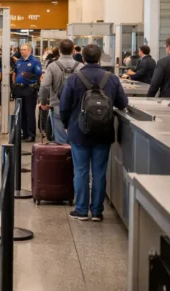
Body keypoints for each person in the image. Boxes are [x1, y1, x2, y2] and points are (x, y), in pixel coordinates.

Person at [60, 44, 128, 221]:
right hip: (104, 132)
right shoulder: (111, 78)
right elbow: (122, 103)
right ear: (100, 59)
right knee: (99, 171)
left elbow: (64, 106)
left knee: (81, 171)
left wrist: (67, 124)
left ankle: (81, 210)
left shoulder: (74, 78)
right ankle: (97, 211)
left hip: (79, 131)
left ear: (82, 59)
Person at [39, 39, 82, 144]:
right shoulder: (80, 67)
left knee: (60, 140)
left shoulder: (52, 66)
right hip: (76, 108)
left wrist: (43, 102)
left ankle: (63, 158)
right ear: (73, 51)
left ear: (59, 50)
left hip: (57, 106)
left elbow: (44, 86)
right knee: (76, 139)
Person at [12, 43, 43, 142]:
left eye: (24, 50)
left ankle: (31, 134)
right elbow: (15, 72)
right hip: (19, 89)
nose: (22, 51)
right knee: (21, 113)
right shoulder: (19, 61)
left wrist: (28, 75)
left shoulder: (34, 61)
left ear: (30, 51)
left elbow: (38, 75)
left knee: (30, 113)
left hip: (29, 89)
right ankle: (24, 132)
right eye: (21, 50)